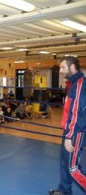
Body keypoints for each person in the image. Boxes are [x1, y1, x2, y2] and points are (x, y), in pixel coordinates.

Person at [49, 56, 86, 195]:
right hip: (69, 131)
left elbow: (76, 113)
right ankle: (64, 190)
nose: (60, 71)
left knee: (73, 168)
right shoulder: (74, 84)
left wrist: (70, 135)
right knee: (64, 163)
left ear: (72, 67)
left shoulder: (80, 85)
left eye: (63, 67)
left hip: (76, 132)